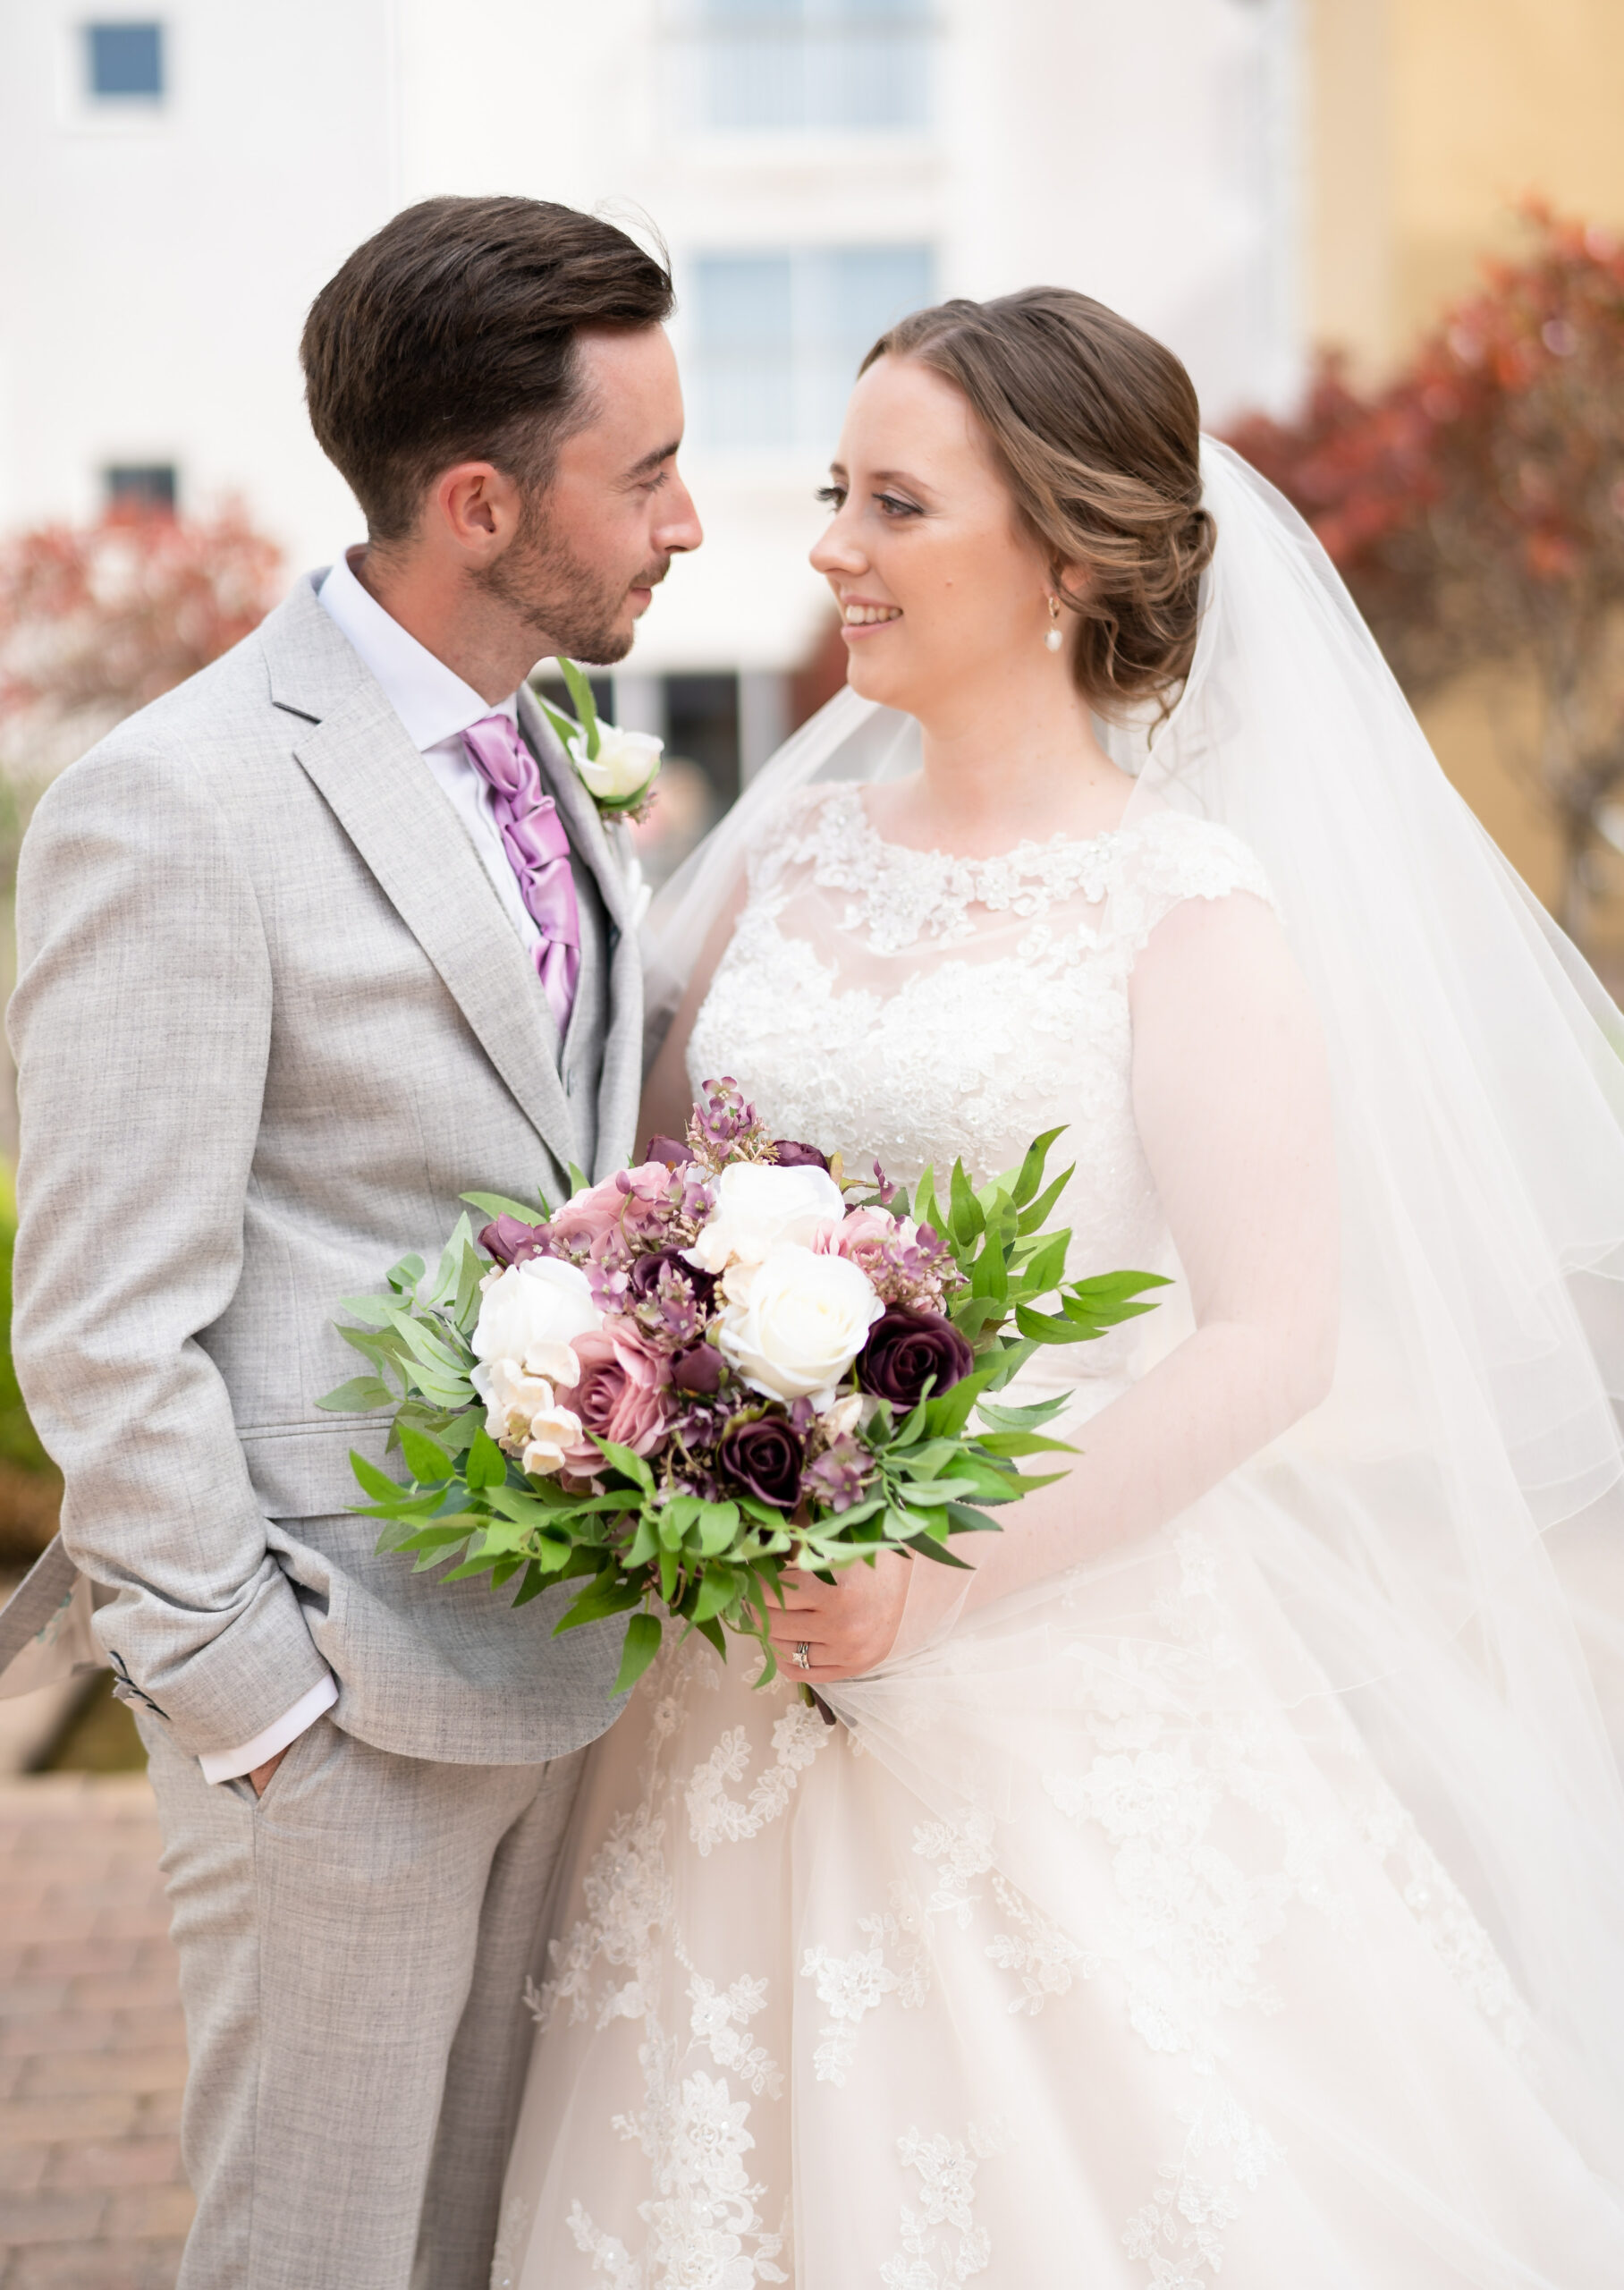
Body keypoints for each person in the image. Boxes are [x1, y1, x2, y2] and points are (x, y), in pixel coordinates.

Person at [491, 291, 1624, 2285]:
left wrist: (937, 1576)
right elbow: (646, 1216)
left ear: (1067, 561)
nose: (829, 543)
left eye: (893, 503)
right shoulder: (788, 861)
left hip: (1044, 1667)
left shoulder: (1178, 906)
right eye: (837, 490)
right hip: (723, 1686)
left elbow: (1273, 1341)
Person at [4, 195, 700, 2290]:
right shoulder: (177, 800)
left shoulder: (547, 761)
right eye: (646, 471)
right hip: (333, 1719)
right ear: (483, 503)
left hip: (555, 1677)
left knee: (482, 2247)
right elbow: (106, 1324)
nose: (687, 523)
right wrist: (260, 1713)